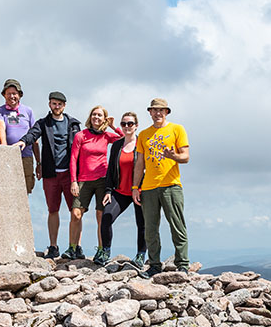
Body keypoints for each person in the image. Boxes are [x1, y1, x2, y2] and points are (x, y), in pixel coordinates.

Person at [15, 92, 80, 259]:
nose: (56, 106)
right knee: (53, 210)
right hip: (51, 174)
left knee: (76, 211)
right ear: (49, 104)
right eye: (53, 103)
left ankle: (76, 247)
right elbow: (32, 134)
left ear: (64, 105)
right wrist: (23, 141)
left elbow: (82, 146)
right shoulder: (43, 123)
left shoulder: (73, 124)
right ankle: (53, 246)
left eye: (59, 104)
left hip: (70, 174)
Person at [132, 98, 190, 277]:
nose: (158, 113)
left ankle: (182, 265)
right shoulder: (143, 135)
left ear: (166, 112)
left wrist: (174, 156)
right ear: (149, 112)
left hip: (171, 185)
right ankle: (154, 265)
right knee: (150, 229)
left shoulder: (177, 129)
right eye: (154, 110)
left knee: (177, 225)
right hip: (148, 187)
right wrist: (135, 186)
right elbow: (140, 163)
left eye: (161, 110)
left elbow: (186, 157)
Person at [64, 105, 122, 261]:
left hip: (103, 180)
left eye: (100, 115)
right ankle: (72, 248)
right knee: (76, 214)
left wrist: (113, 126)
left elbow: (125, 139)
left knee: (101, 216)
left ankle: (102, 250)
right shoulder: (81, 135)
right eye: (94, 114)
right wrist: (73, 181)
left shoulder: (106, 136)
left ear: (104, 118)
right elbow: (73, 159)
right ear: (90, 117)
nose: (96, 117)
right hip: (83, 180)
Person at [98, 111, 147, 267]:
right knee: (106, 217)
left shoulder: (142, 144)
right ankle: (105, 251)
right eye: (124, 124)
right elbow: (111, 169)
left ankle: (140, 255)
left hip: (140, 191)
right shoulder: (117, 145)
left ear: (136, 126)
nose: (127, 126)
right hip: (120, 191)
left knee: (142, 224)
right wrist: (108, 190)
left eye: (130, 124)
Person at [0, 79, 39, 193]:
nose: (12, 96)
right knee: (7, 189)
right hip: (8, 156)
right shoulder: (0, 111)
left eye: (14, 93)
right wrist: (5, 149)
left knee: (25, 189)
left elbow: (35, 136)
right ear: (4, 95)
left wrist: (39, 162)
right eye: (8, 93)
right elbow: (1, 128)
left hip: (26, 156)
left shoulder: (28, 111)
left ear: (19, 95)